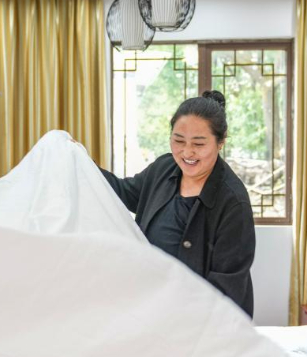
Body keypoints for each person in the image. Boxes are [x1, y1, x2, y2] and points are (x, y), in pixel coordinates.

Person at [101, 91, 256, 317]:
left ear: (220, 142)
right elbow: (124, 192)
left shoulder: (233, 203)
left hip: (204, 323)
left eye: (199, 144)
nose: (187, 152)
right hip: (155, 308)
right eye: (179, 140)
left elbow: (226, 288)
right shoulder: (164, 168)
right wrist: (81, 160)